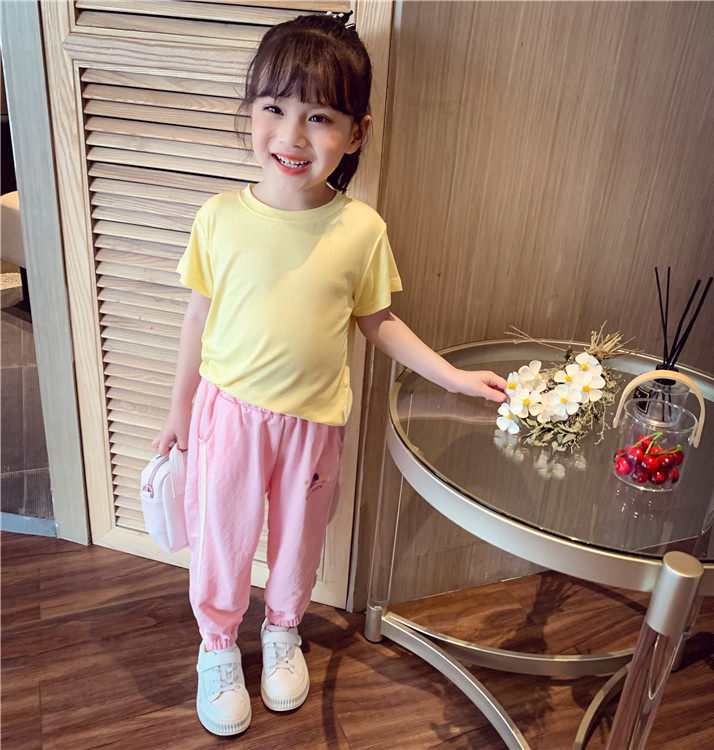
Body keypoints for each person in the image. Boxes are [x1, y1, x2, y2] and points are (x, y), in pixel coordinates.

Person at [151, 11, 507, 738]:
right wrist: (178, 410)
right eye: (273, 108)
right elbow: (197, 319)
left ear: (356, 132)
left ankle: (284, 629)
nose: (292, 136)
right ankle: (217, 643)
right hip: (228, 417)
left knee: (299, 540)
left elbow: (378, 321)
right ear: (250, 111)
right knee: (222, 537)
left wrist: (451, 376)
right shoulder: (218, 219)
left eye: (319, 117)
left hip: (314, 425)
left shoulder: (361, 230)